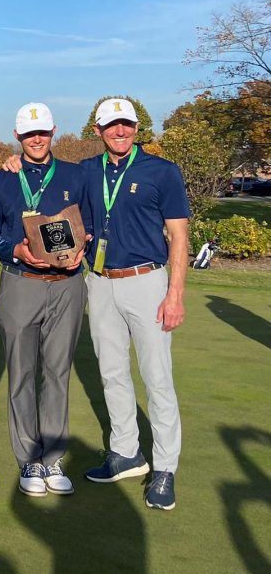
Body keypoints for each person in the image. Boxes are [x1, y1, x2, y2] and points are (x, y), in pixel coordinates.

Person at [80, 98, 189, 510]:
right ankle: (126, 453)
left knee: (157, 377)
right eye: (112, 126)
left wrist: (175, 295)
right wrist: (12, 163)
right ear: (98, 130)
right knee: (111, 373)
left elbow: (179, 237)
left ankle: (164, 468)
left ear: (137, 127)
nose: (120, 132)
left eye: (126, 124)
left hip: (147, 281)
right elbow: (48, 176)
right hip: (100, 282)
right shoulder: (87, 171)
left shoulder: (162, 171)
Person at [0, 103, 90, 498]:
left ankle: (54, 457)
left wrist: (84, 250)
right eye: (29, 134)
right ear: (17, 136)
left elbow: (88, 226)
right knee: (22, 373)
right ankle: (29, 459)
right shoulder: (2, 179)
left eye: (42, 132)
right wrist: (15, 251)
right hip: (20, 281)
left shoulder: (76, 175)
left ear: (54, 131)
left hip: (67, 284)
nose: (37, 139)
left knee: (57, 373)